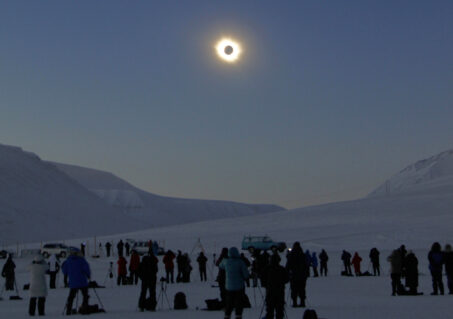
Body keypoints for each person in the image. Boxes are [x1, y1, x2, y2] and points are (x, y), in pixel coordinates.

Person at [219, 247, 249, 319]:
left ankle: (227, 316)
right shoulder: (240, 262)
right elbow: (246, 275)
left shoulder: (226, 261)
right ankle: (238, 316)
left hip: (229, 287)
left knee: (229, 304)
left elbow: (220, 265)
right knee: (239, 304)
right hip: (239, 287)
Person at [62, 249, 91, 315]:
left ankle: (68, 310)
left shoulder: (68, 261)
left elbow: (64, 271)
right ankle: (84, 308)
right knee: (85, 296)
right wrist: (88, 275)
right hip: (82, 282)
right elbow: (87, 268)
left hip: (73, 282)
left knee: (71, 297)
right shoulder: (82, 260)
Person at [264, 254, 289, 319]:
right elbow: (286, 279)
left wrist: (266, 285)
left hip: (270, 292)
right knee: (279, 311)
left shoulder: (267, 269)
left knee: (269, 311)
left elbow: (263, 279)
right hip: (280, 292)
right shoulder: (282, 269)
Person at [286, 242, 309, 308]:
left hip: (294, 276)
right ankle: (302, 302)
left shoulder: (291, 255)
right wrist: (306, 274)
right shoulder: (302, 255)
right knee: (302, 289)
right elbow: (306, 265)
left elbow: (288, 265)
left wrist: (287, 273)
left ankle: (294, 302)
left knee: (294, 289)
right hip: (302, 276)